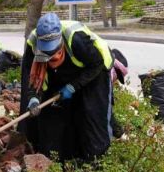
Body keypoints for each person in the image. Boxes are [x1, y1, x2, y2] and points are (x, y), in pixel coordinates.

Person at [19, 13, 113, 162]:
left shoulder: (76, 39)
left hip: (95, 69)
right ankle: (59, 159)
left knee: (92, 113)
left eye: (54, 53)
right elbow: (31, 79)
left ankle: (96, 161)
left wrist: (72, 87)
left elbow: (96, 64)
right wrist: (33, 98)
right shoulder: (33, 45)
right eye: (47, 54)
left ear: (60, 41)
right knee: (51, 114)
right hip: (62, 71)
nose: (50, 57)